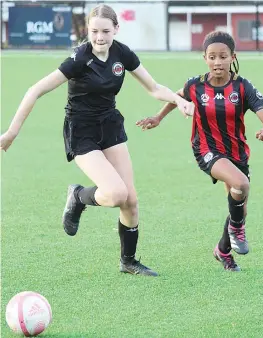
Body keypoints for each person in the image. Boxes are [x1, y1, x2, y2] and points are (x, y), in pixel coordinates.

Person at [0, 4, 194, 277]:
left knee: (131, 200)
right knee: (115, 194)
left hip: (110, 125)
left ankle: (128, 262)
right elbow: (36, 90)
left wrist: (178, 100)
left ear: (116, 29)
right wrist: (12, 132)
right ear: (87, 31)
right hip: (82, 131)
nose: (100, 37)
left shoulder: (122, 53)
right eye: (94, 31)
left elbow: (153, 88)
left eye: (105, 31)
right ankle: (78, 196)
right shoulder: (79, 58)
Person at [136, 31, 263, 272]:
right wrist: (158, 117)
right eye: (212, 57)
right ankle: (237, 230)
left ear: (233, 57)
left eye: (223, 56)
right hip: (207, 150)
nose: (217, 62)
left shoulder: (243, 86)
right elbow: (175, 98)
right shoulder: (196, 84)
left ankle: (222, 251)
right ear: (205, 58)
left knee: (239, 200)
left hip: (237, 152)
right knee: (241, 184)